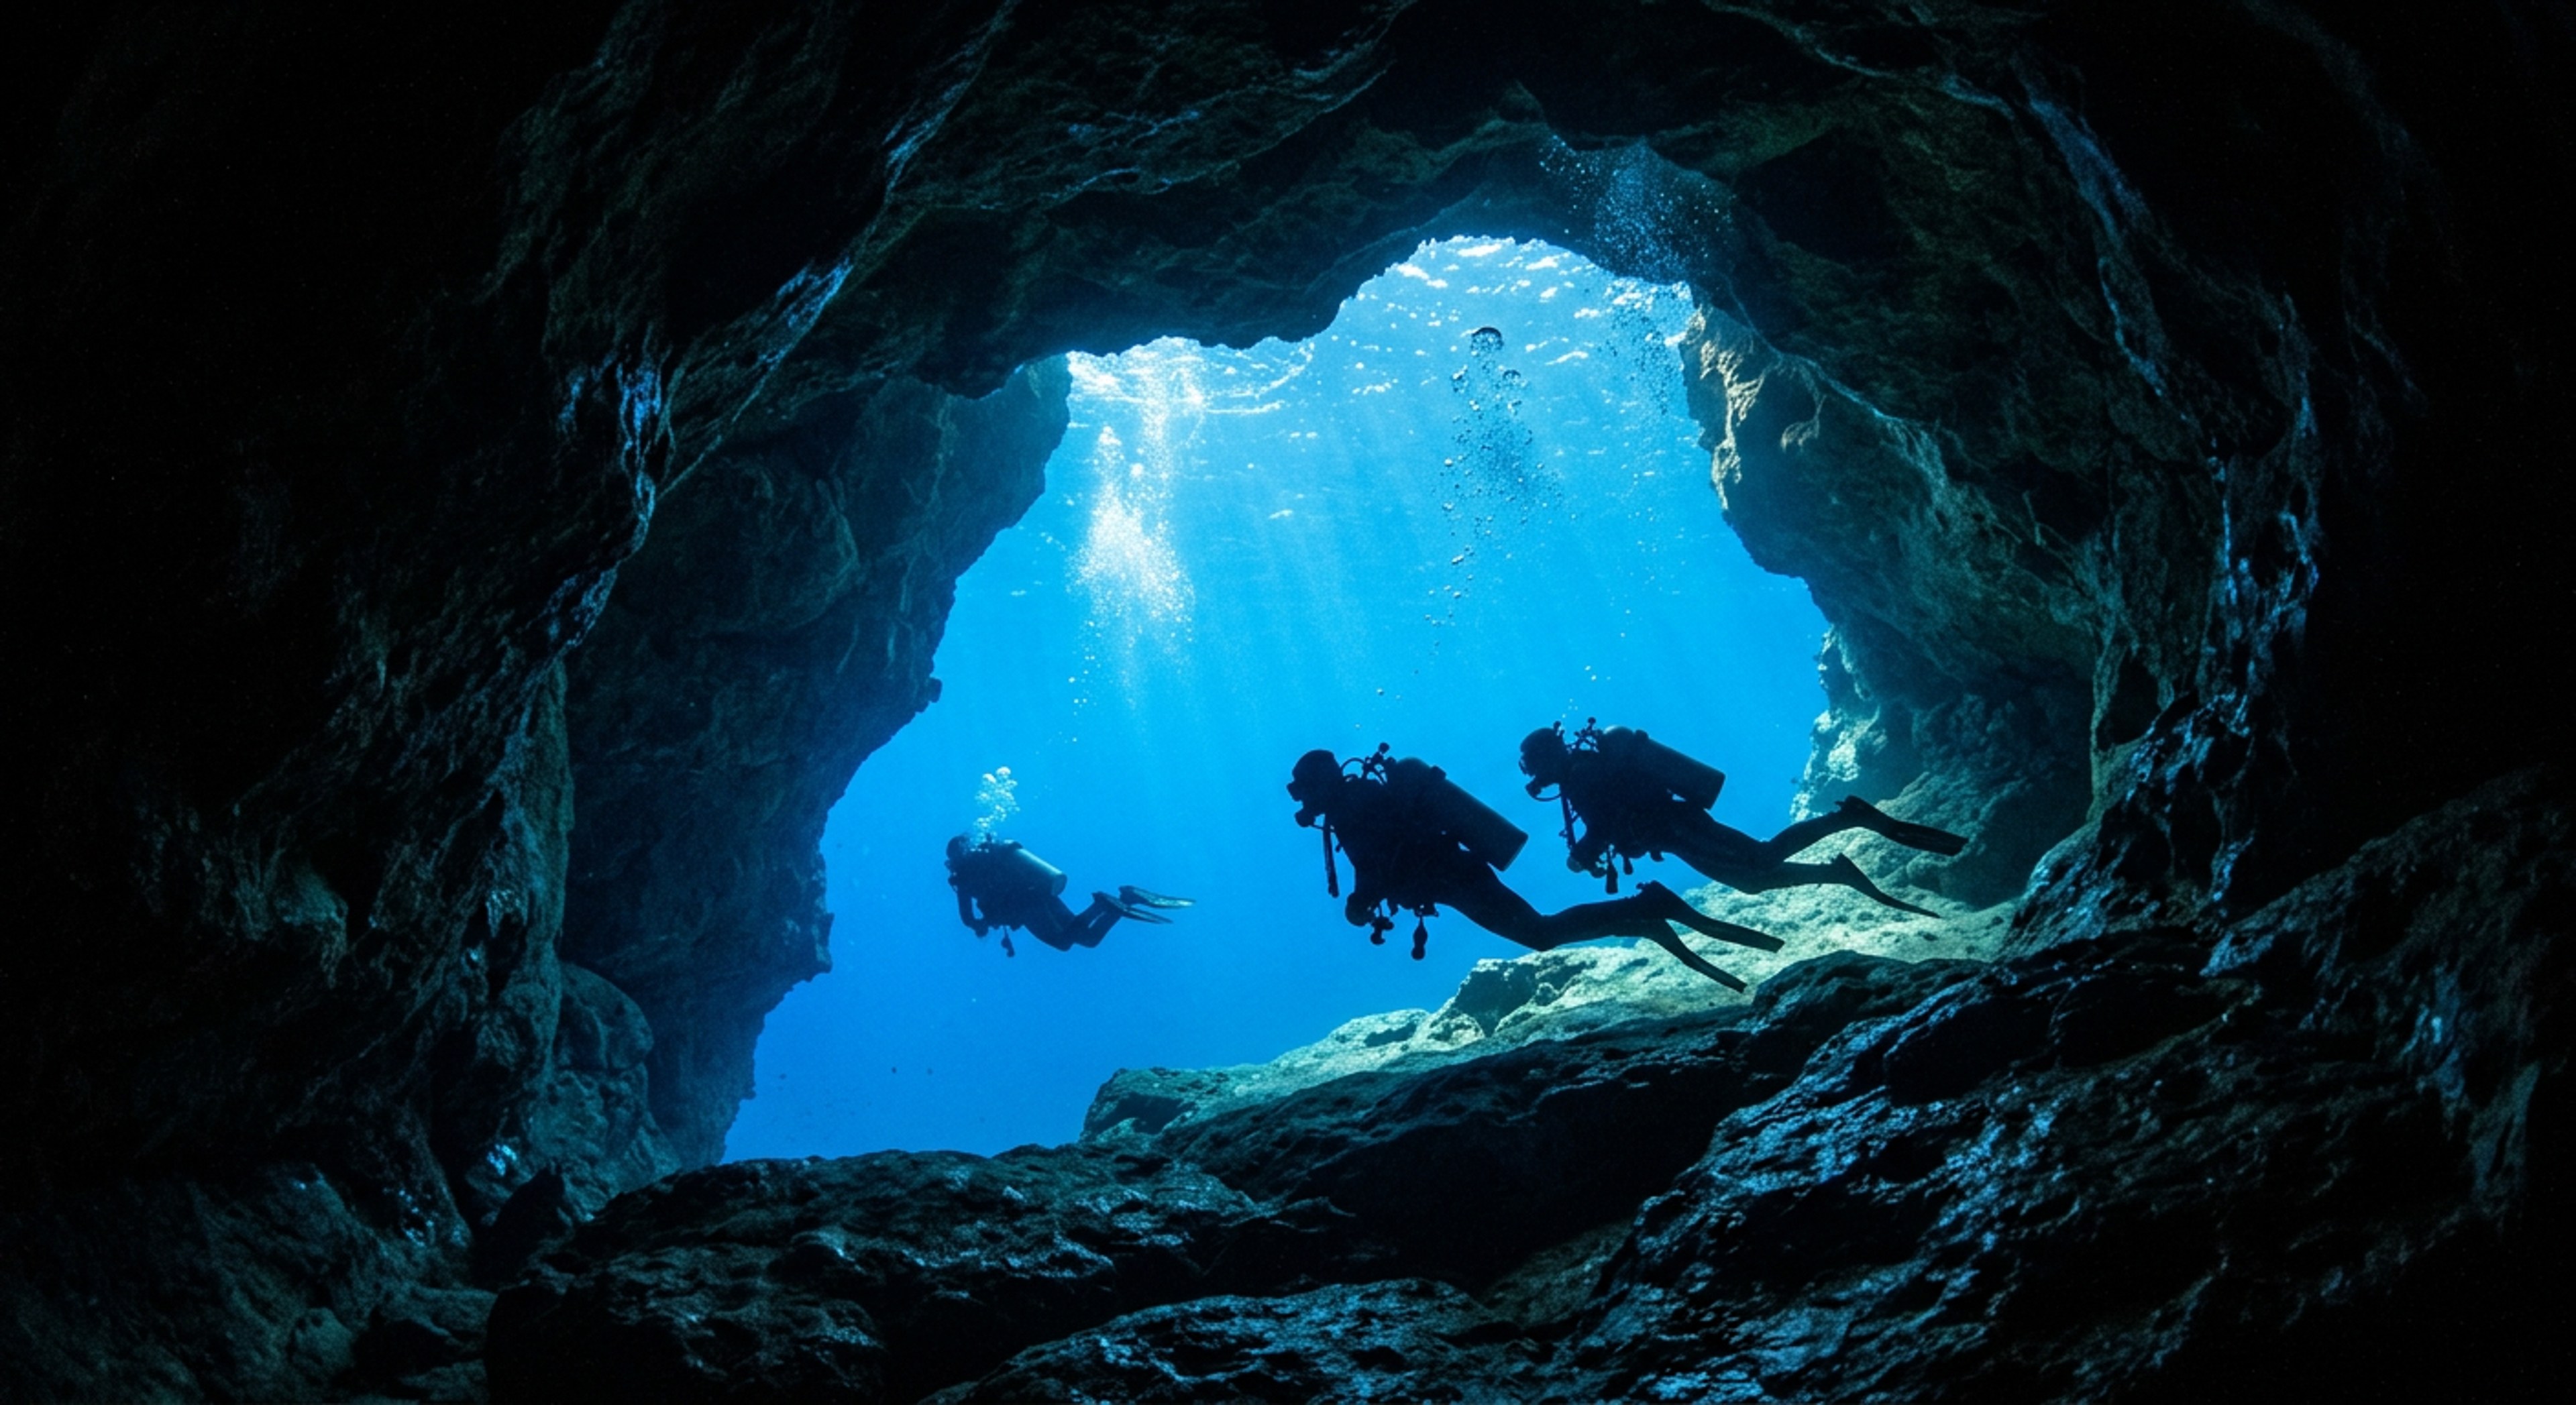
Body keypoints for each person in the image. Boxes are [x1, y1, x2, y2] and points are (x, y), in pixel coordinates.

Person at [1285, 746, 1780, 989]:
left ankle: (1646, 906)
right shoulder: (1357, 802)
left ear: (1322, 783)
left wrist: (1359, 902)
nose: (1302, 800)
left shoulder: (1350, 810)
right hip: (1454, 877)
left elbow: (1374, 867)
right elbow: (1377, 862)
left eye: (1303, 789)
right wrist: (1363, 894)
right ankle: (1644, 916)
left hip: (1454, 879)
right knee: (1540, 931)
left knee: (1540, 933)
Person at [1517, 722, 1966, 917]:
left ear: (1547, 760)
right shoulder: (1584, 770)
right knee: (1751, 881)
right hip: (1674, 831)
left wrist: (1582, 855)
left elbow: (1606, 822)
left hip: (1678, 828)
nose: (1537, 779)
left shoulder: (1583, 775)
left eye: (1535, 769)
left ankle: (1847, 817)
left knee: (1761, 856)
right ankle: (1836, 871)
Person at [945, 834, 1191, 956]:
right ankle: (1124, 899)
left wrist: (983, 925)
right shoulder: (994, 859)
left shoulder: (963, 877)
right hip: (1042, 894)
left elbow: (968, 919)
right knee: (1085, 939)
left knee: (1066, 942)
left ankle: (1107, 904)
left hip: (1028, 909)